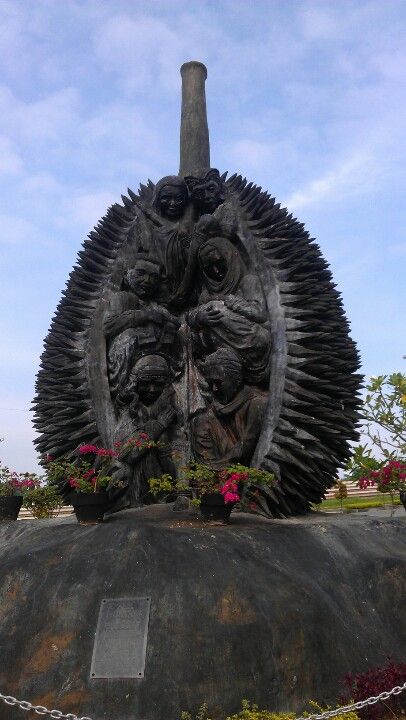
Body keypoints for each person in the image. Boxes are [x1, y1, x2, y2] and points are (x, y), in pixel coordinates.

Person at [188, 237, 271, 385]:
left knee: (216, 307)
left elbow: (259, 313)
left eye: (218, 263)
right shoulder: (206, 294)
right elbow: (192, 318)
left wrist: (232, 302)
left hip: (254, 339)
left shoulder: (249, 281)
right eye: (209, 268)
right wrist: (199, 317)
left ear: (229, 257)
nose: (216, 270)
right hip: (223, 345)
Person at [108, 355, 181, 510]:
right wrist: (158, 426)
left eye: (158, 384)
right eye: (146, 384)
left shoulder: (170, 408)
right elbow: (129, 454)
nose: (152, 390)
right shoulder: (130, 411)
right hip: (135, 486)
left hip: (165, 481)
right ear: (135, 383)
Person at [104, 257, 180, 401]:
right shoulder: (123, 298)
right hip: (131, 355)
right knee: (128, 338)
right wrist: (144, 316)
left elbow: (175, 322)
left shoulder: (155, 305)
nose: (147, 281)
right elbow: (109, 326)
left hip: (158, 359)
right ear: (127, 275)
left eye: (153, 277)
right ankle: (123, 390)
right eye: (141, 273)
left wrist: (168, 323)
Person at [191, 348, 267, 469]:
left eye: (218, 382)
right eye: (210, 383)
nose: (214, 389)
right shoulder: (206, 418)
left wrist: (215, 468)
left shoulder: (256, 404)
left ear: (236, 378)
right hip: (214, 480)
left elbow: (244, 449)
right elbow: (204, 462)